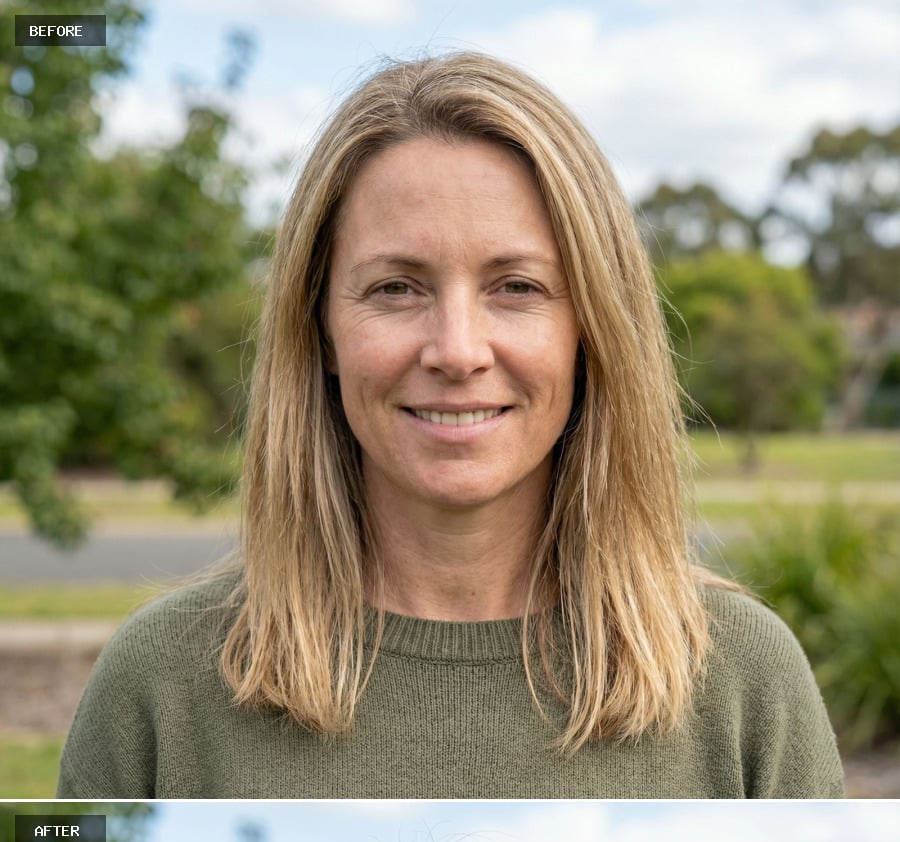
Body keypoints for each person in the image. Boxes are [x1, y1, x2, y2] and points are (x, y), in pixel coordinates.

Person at [56, 52, 842, 800]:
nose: (457, 351)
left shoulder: (744, 680)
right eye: (396, 287)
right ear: (319, 327)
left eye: (517, 287)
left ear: (592, 329)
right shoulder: (159, 687)